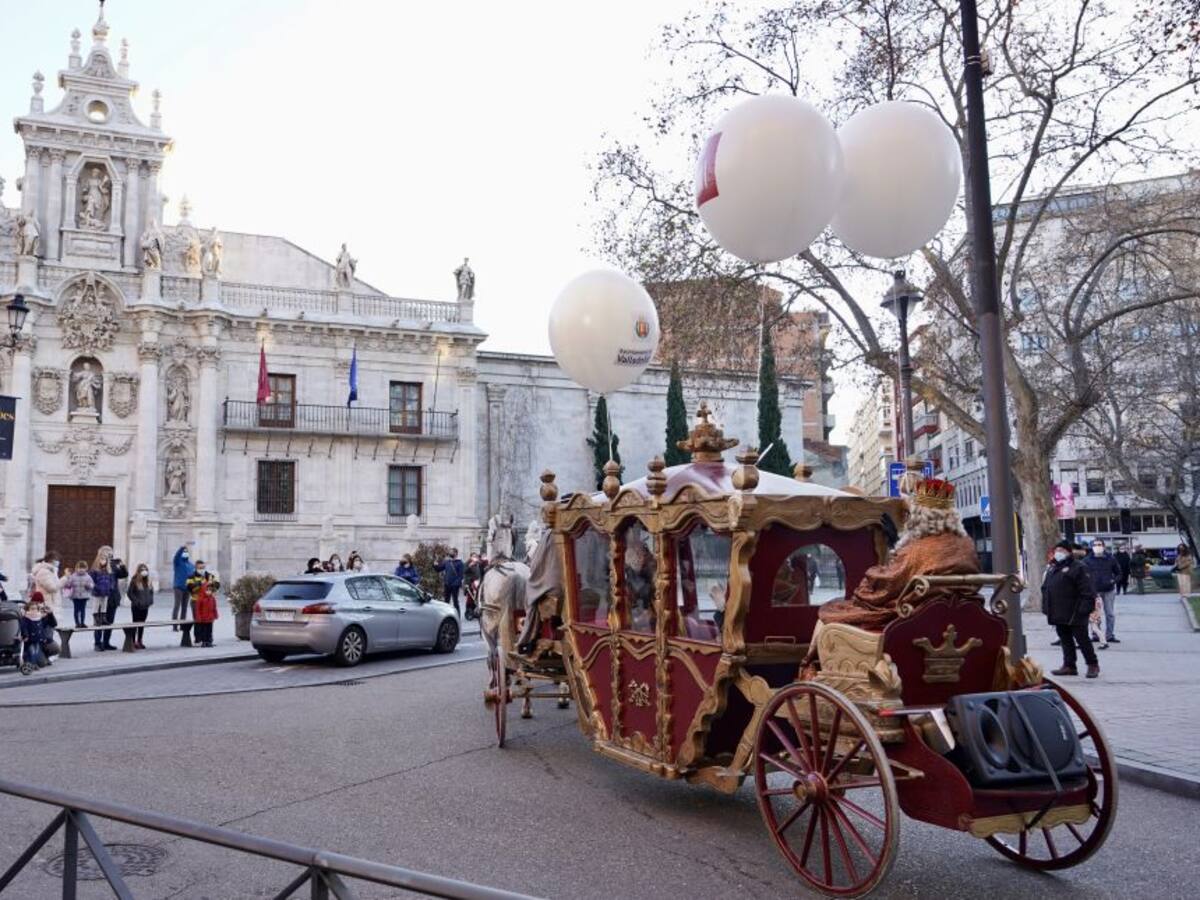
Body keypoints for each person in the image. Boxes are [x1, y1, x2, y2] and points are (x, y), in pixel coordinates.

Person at [817, 479, 982, 631]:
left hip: (915, 617)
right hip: (965, 615)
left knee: (830, 613)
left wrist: (872, 575)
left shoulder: (919, 548)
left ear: (919, 514)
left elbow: (887, 585)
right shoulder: (967, 543)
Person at [1043, 539, 1100, 678]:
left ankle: (1092, 664)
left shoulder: (1079, 567)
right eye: (1057, 550)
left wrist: (1085, 608)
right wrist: (1046, 608)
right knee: (1065, 639)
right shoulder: (1053, 567)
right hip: (1058, 611)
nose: (1058, 553)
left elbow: (1087, 590)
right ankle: (1069, 665)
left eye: (1062, 551)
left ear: (1069, 552)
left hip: (1075, 611)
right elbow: (1046, 588)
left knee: (1082, 639)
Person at [1083, 538, 1121, 644]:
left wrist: (1113, 581)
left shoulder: (1111, 558)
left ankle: (1109, 635)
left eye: (1099, 544)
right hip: (1095, 591)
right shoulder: (1087, 560)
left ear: (1103, 546)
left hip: (1109, 590)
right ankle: (1096, 634)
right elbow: (1083, 574)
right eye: (1095, 545)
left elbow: (1119, 573)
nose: (1097, 546)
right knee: (1095, 614)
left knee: (1110, 613)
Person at [186, 561, 220, 648]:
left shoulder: (209, 575)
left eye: (203, 567)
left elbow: (217, 585)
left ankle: (208, 639)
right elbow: (190, 588)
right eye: (200, 568)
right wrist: (200, 584)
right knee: (198, 620)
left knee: (209, 621)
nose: (202, 569)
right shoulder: (191, 576)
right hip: (196, 601)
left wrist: (212, 585)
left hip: (208, 601)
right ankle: (198, 639)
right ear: (196, 568)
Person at [89, 552, 118, 651]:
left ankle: (106, 642)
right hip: (99, 594)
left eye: (109, 557)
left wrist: (120, 565)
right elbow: (91, 582)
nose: (105, 560)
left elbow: (119, 577)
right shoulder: (94, 570)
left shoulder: (111, 569)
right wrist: (97, 589)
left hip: (111, 598)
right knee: (98, 621)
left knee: (108, 621)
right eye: (104, 558)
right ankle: (97, 643)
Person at [29, 552, 68, 625]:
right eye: (57, 560)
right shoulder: (44, 572)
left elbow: (55, 585)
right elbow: (52, 588)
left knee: (50, 629)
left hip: (50, 603)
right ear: (51, 560)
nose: (58, 562)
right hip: (46, 604)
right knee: (47, 629)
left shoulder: (51, 571)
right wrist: (65, 578)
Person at [127, 564, 155, 649]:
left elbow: (151, 592)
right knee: (135, 623)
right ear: (139, 571)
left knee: (142, 625)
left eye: (145, 569)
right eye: (142, 570)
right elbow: (130, 593)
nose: (144, 571)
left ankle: (140, 641)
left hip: (145, 606)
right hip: (136, 607)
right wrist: (136, 602)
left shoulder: (148, 581)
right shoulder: (134, 580)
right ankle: (133, 641)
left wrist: (150, 601)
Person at [435, 548, 465, 616]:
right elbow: (439, 569)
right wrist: (435, 565)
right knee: (446, 602)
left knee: (455, 602)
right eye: (450, 552)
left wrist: (456, 584)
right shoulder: (447, 562)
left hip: (455, 585)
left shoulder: (460, 563)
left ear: (456, 553)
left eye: (452, 552)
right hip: (447, 584)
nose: (450, 553)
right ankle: (446, 616)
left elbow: (461, 576)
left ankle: (457, 616)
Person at [172, 545, 195, 631]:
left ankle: (182, 625)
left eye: (187, 552)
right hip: (178, 587)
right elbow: (176, 557)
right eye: (184, 552)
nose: (185, 553)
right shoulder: (178, 562)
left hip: (187, 588)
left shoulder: (190, 565)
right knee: (177, 606)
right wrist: (181, 548)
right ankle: (174, 625)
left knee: (184, 607)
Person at [65, 561, 94, 628]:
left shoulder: (88, 576)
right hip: (75, 596)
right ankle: (77, 623)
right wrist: (69, 583)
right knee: (76, 610)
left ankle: (82, 622)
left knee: (83, 610)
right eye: (79, 568)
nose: (81, 569)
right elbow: (68, 584)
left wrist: (89, 585)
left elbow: (92, 585)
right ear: (76, 568)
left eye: (83, 568)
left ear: (86, 568)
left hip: (84, 596)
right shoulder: (73, 576)